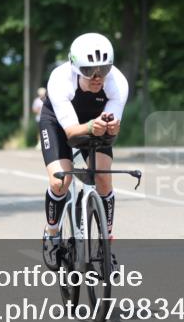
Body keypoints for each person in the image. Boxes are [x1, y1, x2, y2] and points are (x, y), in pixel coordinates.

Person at [40, 32, 128, 269]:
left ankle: (105, 245)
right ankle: (52, 234)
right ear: (76, 68)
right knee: (60, 181)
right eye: (89, 71)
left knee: (103, 177)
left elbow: (112, 129)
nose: (98, 77)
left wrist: (112, 127)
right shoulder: (60, 79)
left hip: (94, 121)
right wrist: (90, 127)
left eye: (104, 69)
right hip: (58, 123)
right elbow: (71, 133)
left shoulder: (117, 82)